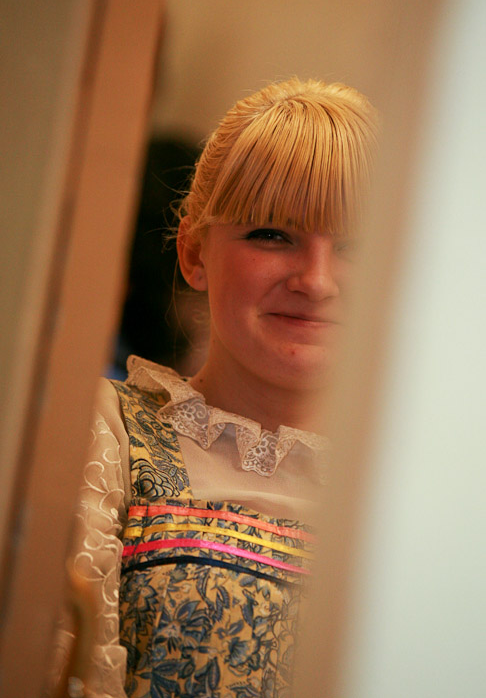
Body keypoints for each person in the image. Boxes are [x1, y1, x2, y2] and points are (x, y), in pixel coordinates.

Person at [65, 78, 377, 698]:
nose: (316, 281)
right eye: (273, 234)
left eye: (355, 246)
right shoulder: (104, 433)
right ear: (193, 253)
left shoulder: (418, 491)